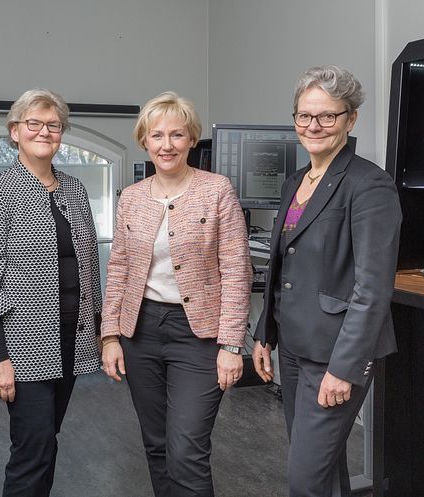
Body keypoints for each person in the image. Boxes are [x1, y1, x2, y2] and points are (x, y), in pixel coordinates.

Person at [252, 66, 401, 497]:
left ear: (350, 119)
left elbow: (373, 289)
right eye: (304, 116)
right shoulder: (296, 182)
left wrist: (344, 368)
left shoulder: (369, 185)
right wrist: (265, 334)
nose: (313, 126)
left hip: (335, 354)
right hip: (296, 348)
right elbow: (282, 267)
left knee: (306, 479)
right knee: (322, 469)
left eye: (327, 116)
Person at [101, 91, 252, 497]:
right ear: (144, 141)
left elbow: (237, 269)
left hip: (199, 336)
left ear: (191, 140)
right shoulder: (131, 198)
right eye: (157, 136)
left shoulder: (217, 190)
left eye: (177, 135)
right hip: (141, 331)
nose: (167, 145)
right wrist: (111, 335)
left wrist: (232, 345)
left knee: (186, 450)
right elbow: (118, 268)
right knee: (157, 446)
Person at [0, 88, 102, 497]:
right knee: (32, 447)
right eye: (34, 124)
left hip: (70, 341)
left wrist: (97, 328)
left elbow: (89, 266)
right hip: (22, 348)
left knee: (47, 441)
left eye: (54, 125)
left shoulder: (75, 191)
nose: (45, 131)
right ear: (15, 132)